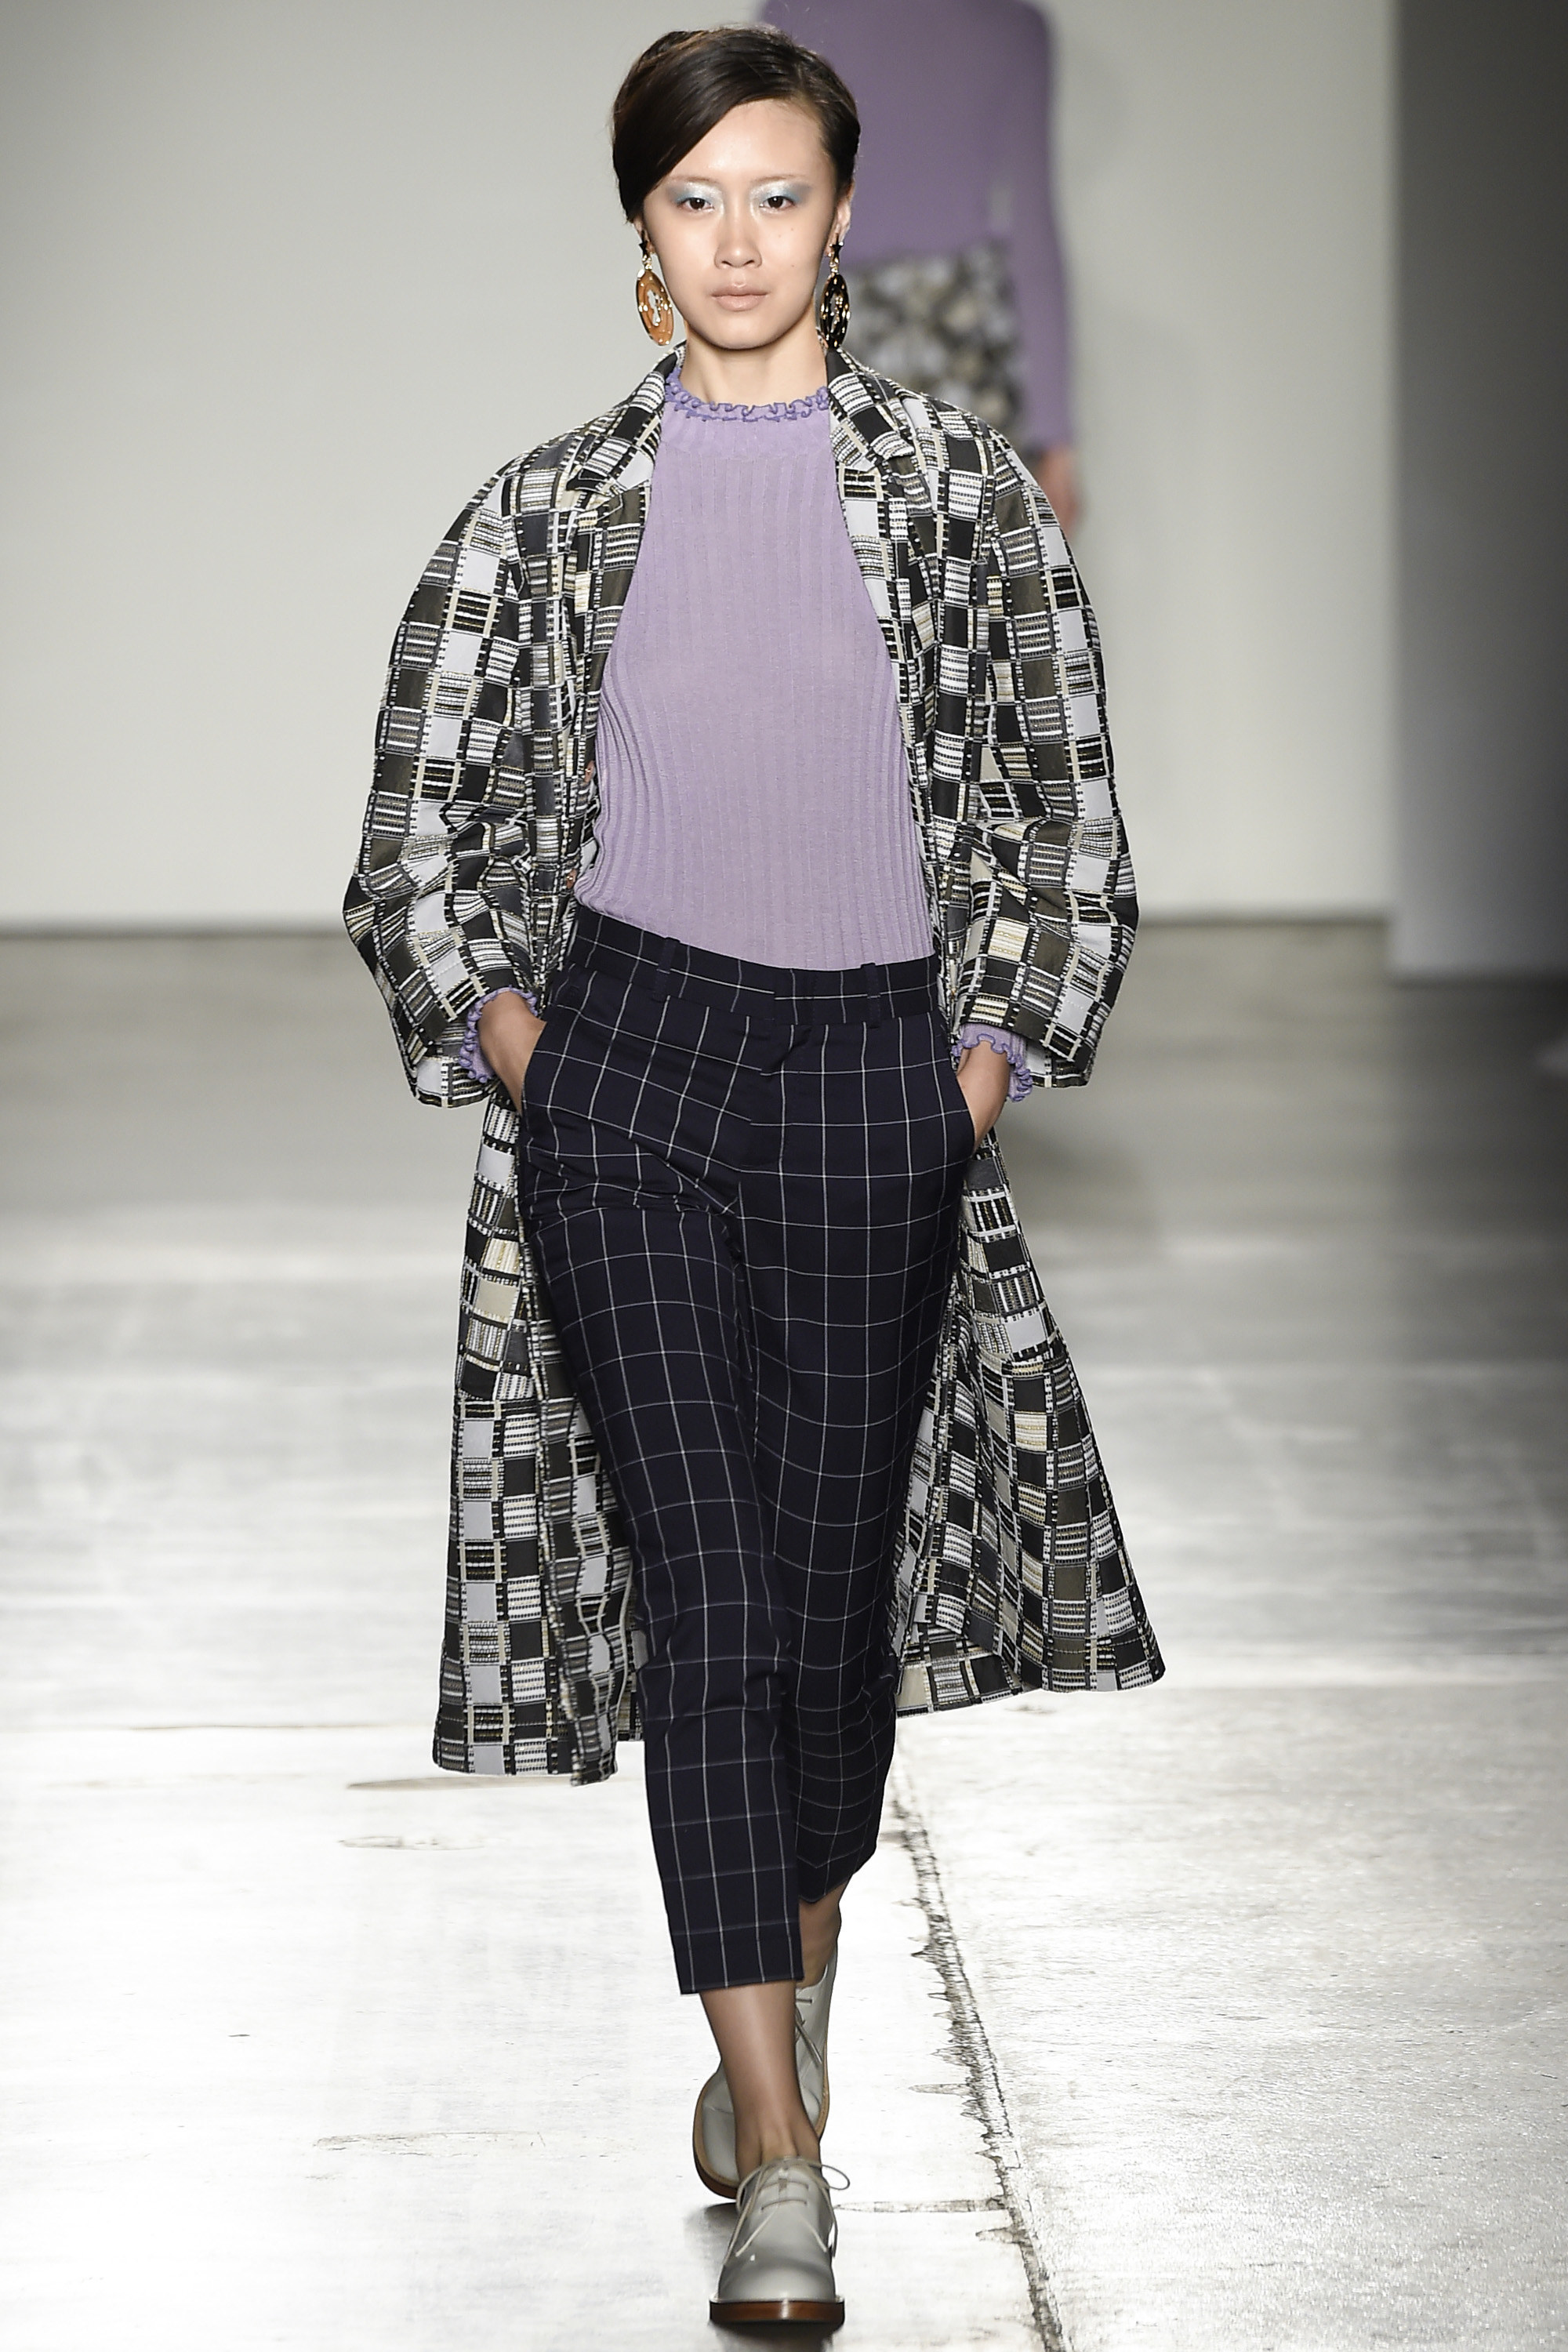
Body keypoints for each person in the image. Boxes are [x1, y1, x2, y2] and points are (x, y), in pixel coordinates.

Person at [345, 22, 1160, 2330]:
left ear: (841, 214)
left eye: (775, 197)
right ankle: (783, 2153)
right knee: (707, 1598)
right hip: (629, 1070)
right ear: (640, 224)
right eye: (693, 200)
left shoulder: (958, 492)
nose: (734, 243)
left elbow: (1063, 797)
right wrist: (524, 1045)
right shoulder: (541, 511)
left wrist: (978, 1066)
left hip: (877, 1067)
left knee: (824, 1613)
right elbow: (416, 830)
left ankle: (776, 1984)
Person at [760, 0, 1081, 530]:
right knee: (971, 575)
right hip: (970, 350)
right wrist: (1057, 440)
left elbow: (777, 215)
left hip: (842, 337)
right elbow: (1033, 227)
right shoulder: (1010, 29)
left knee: (842, 570)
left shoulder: (797, 15)